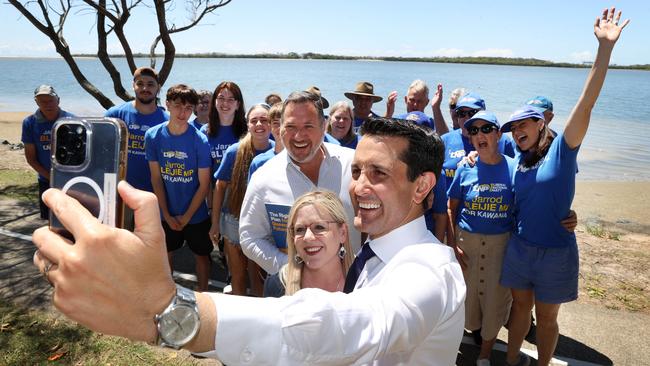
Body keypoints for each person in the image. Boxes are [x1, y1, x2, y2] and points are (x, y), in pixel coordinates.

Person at [33, 116, 465, 365]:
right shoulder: (372, 255)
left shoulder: (430, 267)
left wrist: (172, 310)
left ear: (423, 185)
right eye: (357, 172)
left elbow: (362, 324)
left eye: (380, 174)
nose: (359, 187)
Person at [499, 9, 628, 366]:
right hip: (520, 248)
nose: (516, 131)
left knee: (549, 317)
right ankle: (510, 362)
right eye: (513, 127)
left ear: (542, 124)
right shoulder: (516, 156)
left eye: (524, 124)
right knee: (519, 311)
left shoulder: (562, 150)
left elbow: (587, 102)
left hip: (555, 251)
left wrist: (604, 50)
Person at [239, 91, 361, 275]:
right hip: (293, 292)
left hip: (354, 284)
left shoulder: (354, 166)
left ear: (324, 126)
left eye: (308, 126)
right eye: (291, 126)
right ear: (280, 129)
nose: (298, 136)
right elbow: (250, 237)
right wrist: (290, 270)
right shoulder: (263, 178)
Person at [446, 111, 516, 365]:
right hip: (468, 245)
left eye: (486, 129)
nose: (479, 135)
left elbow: (531, 198)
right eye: (473, 131)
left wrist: (565, 214)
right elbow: (452, 206)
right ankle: (454, 347)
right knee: (466, 302)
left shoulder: (514, 166)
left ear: (498, 134)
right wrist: (452, 244)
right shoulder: (465, 167)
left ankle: (485, 356)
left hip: (500, 247)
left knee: (495, 303)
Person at [144, 84, 212, 291]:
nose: (183, 113)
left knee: (202, 255)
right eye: (178, 106)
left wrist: (187, 216)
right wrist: (166, 212)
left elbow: (204, 184)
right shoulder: (153, 136)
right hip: (167, 212)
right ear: (167, 105)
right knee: (166, 255)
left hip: (196, 214)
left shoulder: (199, 140)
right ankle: (168, 294)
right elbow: (156, 178)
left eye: (188, 108)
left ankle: (204, 296)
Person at [209, 104, 274, 296]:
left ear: (272, 124)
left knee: (258, 275)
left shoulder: (277, 152)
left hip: (262, 223)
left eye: (264, 120)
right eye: (254, 120)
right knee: (237, 275)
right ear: (248, 124)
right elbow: (220, 187)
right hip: (233, 220)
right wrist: (215, 224)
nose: (259, 124)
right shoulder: (234, 151)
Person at [263, 190, 354, 297]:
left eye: (319, 227)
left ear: (342, 233)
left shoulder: (366, 278)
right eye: (300, 229)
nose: (307, 237)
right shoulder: (277, 286)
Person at [104, 67, 168, 194]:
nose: (145, 89)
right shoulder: (114, 115)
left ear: (158, 88)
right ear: (133, 85)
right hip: (120, 191)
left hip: (153, 193)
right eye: (140, 84)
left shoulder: (167, 121)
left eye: (150, 84)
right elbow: (102, 152)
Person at [21, 85, 74, 220]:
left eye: (50, 100)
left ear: (58, 100)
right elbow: (31, 158)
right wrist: (51, 177)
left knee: (71, 218)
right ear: (36, 103)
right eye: (42, 101)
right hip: (46, 180)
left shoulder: (72, 120)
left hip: (70, 179)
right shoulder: (29, 123)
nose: (47, 104)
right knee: (50, 220)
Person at [200, 81, 247, 180]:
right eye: (221, 98)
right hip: (213, 189)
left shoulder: (247, 131)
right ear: (215, 102)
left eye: (231, 99)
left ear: (238, 104)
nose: (225, 103)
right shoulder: (204, 131)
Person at [248, 102, 284, 178]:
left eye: (285, 123)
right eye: (276, 123)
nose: (280, 128)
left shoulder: (301, 159)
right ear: (270, 126)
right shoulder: (259, 162)